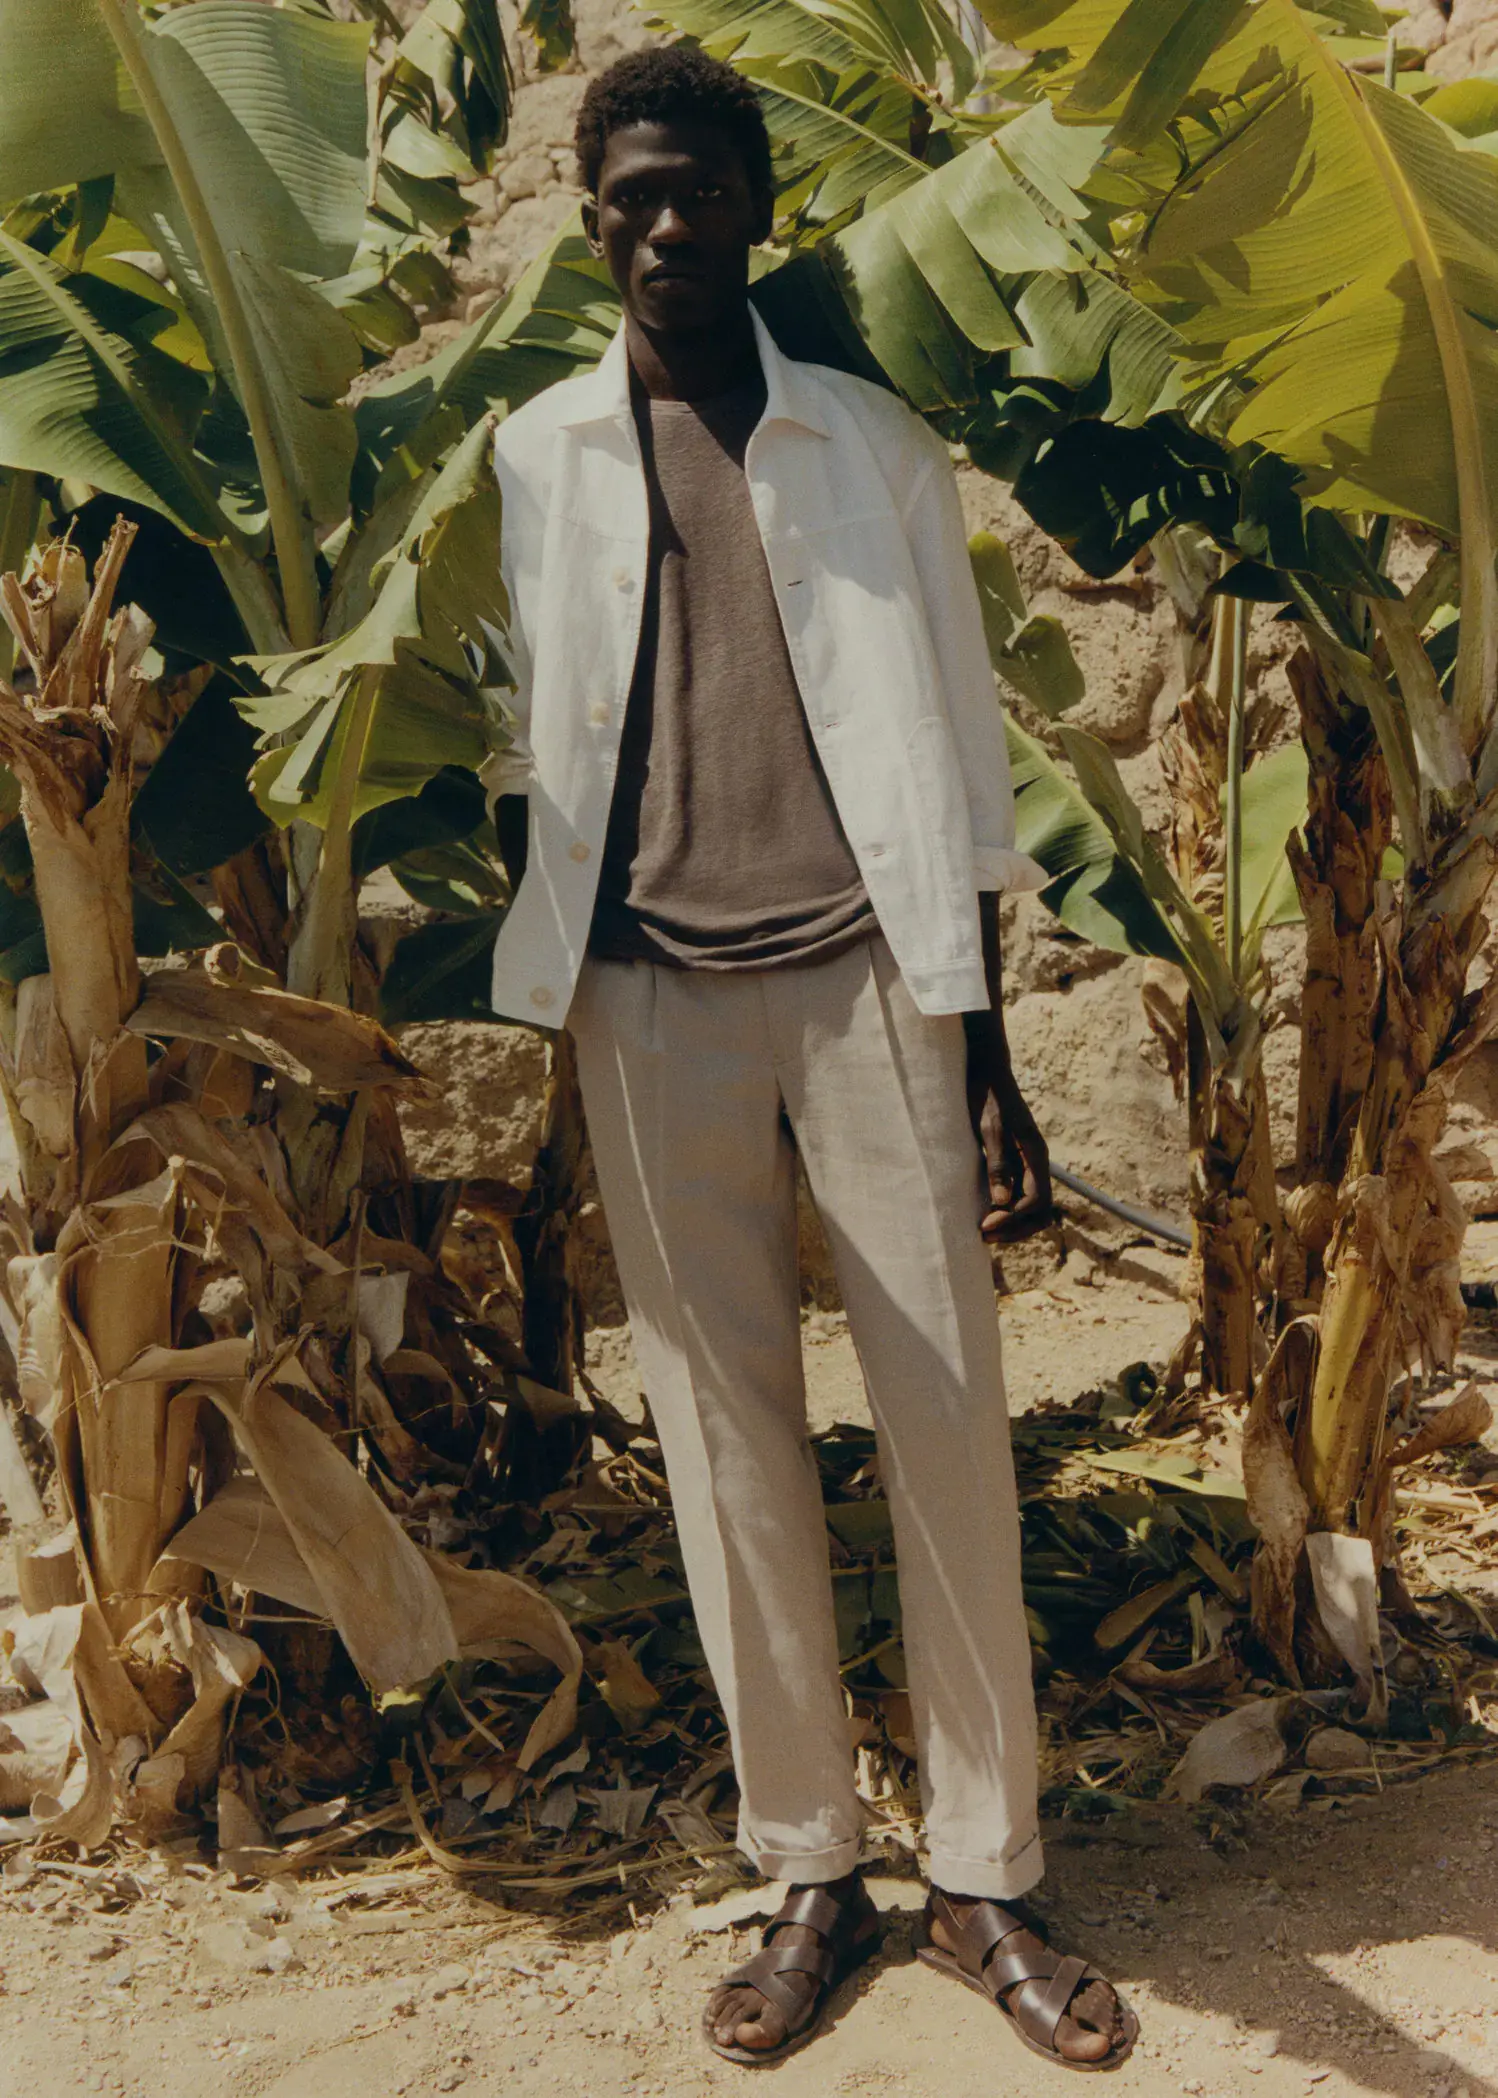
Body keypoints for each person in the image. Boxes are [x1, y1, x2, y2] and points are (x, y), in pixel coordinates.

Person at [484, 44, 1137, 2072]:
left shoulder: (868, 445)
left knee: (943, 1411)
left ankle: (984, 1871)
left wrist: (992, 1054)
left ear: (760, 201)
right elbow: (554, 744)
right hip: (648, 992)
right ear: (587, 215)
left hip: (867, 973)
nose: (665, 224)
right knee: (722, 1442)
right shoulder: (538, 458)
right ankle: (808, 1869)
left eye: (697, 187)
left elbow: (950, 742)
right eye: (629, 194)